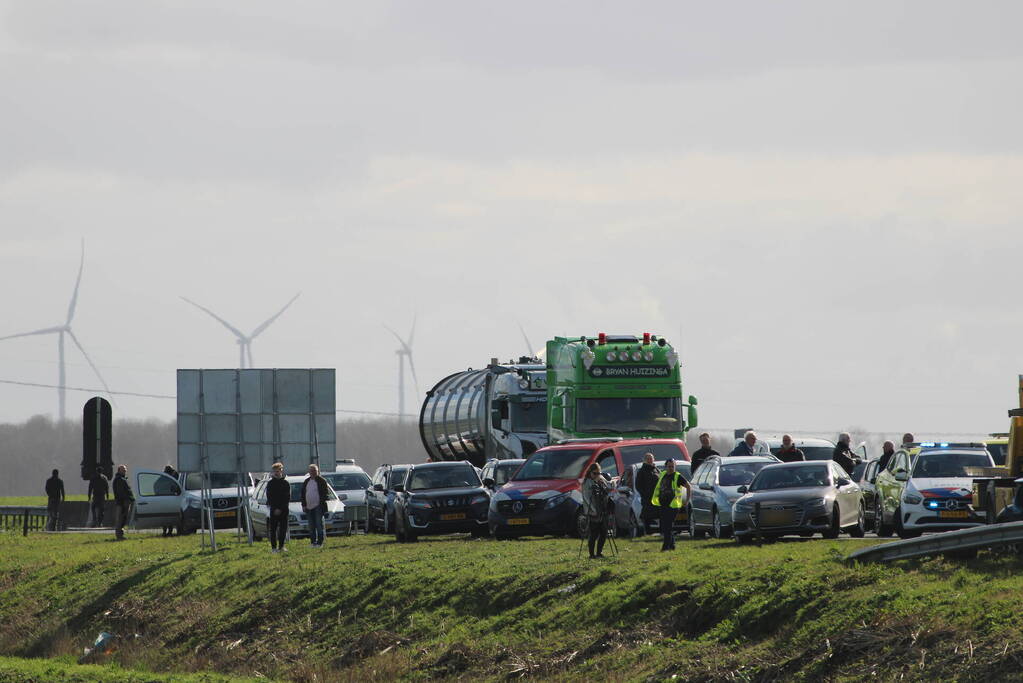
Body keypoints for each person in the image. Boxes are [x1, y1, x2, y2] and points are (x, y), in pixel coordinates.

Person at [650, 458, 690, 551]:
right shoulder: (663, 474)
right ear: (666, 466)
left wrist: (687, 500)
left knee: (668, 526)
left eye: (673, 466)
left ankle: (665, 547)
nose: (671, 468)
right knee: (665, 526)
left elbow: (688, 486)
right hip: (663, 504)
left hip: (673, 505)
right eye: (669, 466)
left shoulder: (677, 476)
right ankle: (672, 546)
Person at [581, 462, 611, 559]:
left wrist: (604, 482)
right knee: (594, 533)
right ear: (590, 472)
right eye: (595, 473)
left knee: (604, 532)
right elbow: (586, 498)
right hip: (593, 510)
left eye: (599, 473)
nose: (597, 475)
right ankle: (591, 554)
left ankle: (599, 553)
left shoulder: (600, 480)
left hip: (602, 509)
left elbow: (608, 489)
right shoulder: (586, 482)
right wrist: (592, 511)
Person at [301, 464, 330, 548]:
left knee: (318, 524)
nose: (313, 472)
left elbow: (326, 494)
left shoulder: (322, 481)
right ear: (309, 472)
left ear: (317, 472)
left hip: (318, 506)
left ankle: (320, 543)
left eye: (314, 471)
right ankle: (313, 542)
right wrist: (304, 505)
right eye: (311, 471)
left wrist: (320, 502)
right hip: (308, 507)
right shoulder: (306, 481)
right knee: (311, 526)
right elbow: (303, 494)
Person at [266, 462, 291, 554]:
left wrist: (280, 508)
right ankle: (273, 547)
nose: (276, 473)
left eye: (278, 471)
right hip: (273, 510)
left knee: (283, 529)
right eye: (275, 471)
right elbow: (269, 497)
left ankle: (281, 546)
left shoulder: (286, 483)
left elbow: (287, 497)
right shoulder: (270, 484)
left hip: (284, 510)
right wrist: (275, 508)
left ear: (281, 470)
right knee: (273, 529)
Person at [634, 453, 660, 532]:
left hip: (657, 497)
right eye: (648, 459)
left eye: (651, 458)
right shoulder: (642, 471)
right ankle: (647, 531)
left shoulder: (656, 470)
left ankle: (660, 531)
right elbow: (638, 485)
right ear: (645, 460)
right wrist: (645, 494)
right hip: (647, 498)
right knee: (647, 516)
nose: (650, 460)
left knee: (659, 514)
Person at [112, 464, 135, 541]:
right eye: (123, 470)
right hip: (122, 503)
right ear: (119, 470)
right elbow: (121, 493)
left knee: (123, 519)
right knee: (120, 519)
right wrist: (126, 500)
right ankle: (119, 536)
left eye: (125, 470)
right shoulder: (119, 480)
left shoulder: (123, 479)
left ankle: (121, 535)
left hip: (124, 502)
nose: (125, 471)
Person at [160, 465, 179, 537]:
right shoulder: (173, 477)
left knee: (165, 516)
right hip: (170, 498)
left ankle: (165, 531)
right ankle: (168, 531)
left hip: (164, 498)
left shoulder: (162, 478)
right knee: (169, 515)